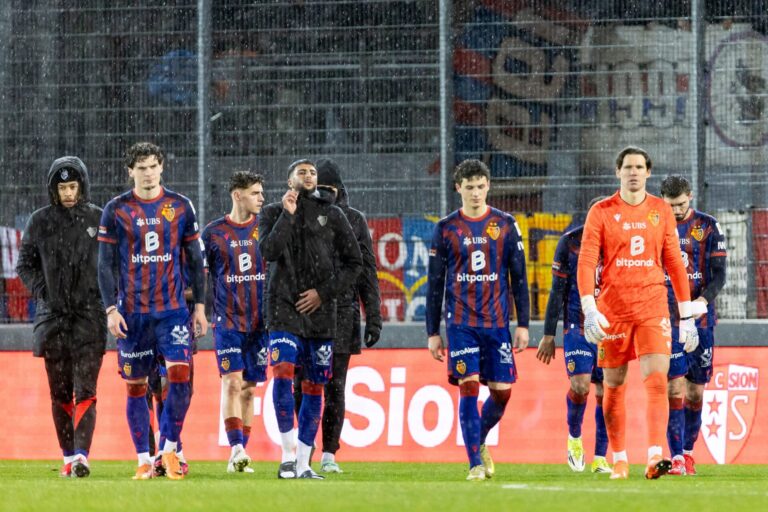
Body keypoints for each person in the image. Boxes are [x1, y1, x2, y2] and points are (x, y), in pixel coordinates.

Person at [576, 146, 701, 480]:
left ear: (648, 173)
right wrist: (589, 308)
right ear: (618, 172)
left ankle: (654, 456)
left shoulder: (660, 210)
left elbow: (674, 263)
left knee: (657, 379)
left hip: (652, 307)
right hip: (613, 309)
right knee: (614, 385)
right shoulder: (601, 212)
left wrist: (686, 316)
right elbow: (587, 260)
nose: (633, 172)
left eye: (639, 167)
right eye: (627, 167)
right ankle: (619, 459)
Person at [97, 142, 207, 480]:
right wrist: (110, 310)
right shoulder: (116, 210)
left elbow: (197, 261)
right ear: (130, 171)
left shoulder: (180, 206)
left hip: (172, 311)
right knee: (136, 387)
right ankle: (144, 459)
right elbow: (104, 265)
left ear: (162, 168)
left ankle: (170, 450)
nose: (148, 172)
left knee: (179, 378)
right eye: (141, 167)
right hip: (133, 313)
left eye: (153, 166)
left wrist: (200, 308)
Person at [426, 159, 530, 481]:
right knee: (468, 386)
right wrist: (433, 332)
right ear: (458, 188)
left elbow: (519, 278)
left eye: (480, 186)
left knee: (502, 393)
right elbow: (435, 283)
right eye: (468, 186)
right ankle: (474, 463)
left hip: (497, 323)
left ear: (489, 186)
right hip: (460, 323)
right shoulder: (445, 228)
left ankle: (479, 439)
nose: (475, 192)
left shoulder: (506, 224)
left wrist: (523, 324)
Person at [259, 159, 362, 479]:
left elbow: (354, 263)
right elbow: (268, 251)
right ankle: (287, 456)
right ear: (289, 179)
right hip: (283, 309)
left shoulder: (333, 214)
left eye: (312, 172)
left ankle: (304, 462)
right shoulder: (273, 212)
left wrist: (323, 293)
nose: (308, 175)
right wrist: (287, 217)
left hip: (320, 313)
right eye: (301, 171)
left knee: (315, 384)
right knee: (283, 370)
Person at [16, 157, 107, 478]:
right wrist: (44, 291)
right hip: (52, 319)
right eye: (62, 187)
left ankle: (82, 456)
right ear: (53, 189)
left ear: (82, 186)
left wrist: (105, 298)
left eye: (73, 186)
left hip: (89, 319)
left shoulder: (99, 218)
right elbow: (24, 265)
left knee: (86, 390)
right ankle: (68, 457)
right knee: (59, 394)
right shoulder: (39, 221)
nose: (68, 193)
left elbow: (112, 267)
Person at [292, 159, 383, 474]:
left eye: (330, 189)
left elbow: (367, 271)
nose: (325, 194)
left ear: (340, 190)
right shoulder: (301, 214)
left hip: (342, 315)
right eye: (321, 189)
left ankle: (329, 452)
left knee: (335, 387)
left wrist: (374, 317)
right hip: (305, 311)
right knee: (300, 383)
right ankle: (306, 444)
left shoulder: (354, 220)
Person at [536, 197, 611, 474]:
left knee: (606, 393)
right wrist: (548, 333)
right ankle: (575, 437)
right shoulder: (569, 243)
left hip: (610, 328)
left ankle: (601, 456)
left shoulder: (621, 243)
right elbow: (557, 290)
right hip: (577, 326)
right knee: (581, 386)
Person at [202, 170, 269, 474]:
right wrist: (200, 310)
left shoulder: (267, 228)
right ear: (237, 195)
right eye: (255, 192)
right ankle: (236, 448)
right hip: (226, 320)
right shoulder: (213, 233)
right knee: (231, 383)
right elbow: (203, 277)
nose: (261, 198)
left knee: (249, 389)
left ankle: (239, 456)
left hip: (259, 323)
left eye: (261, 192)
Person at [660, 175, 726, 476]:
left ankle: (687, 453)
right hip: (666, 320)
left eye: (681, 204)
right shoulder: (654, 224)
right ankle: (674, 458)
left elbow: (719, 275)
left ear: (691, 197)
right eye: (670, 205)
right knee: (674, 387)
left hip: (700, 320)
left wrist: (702, 302)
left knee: (695, 393)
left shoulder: (708, 226)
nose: (675, 211)